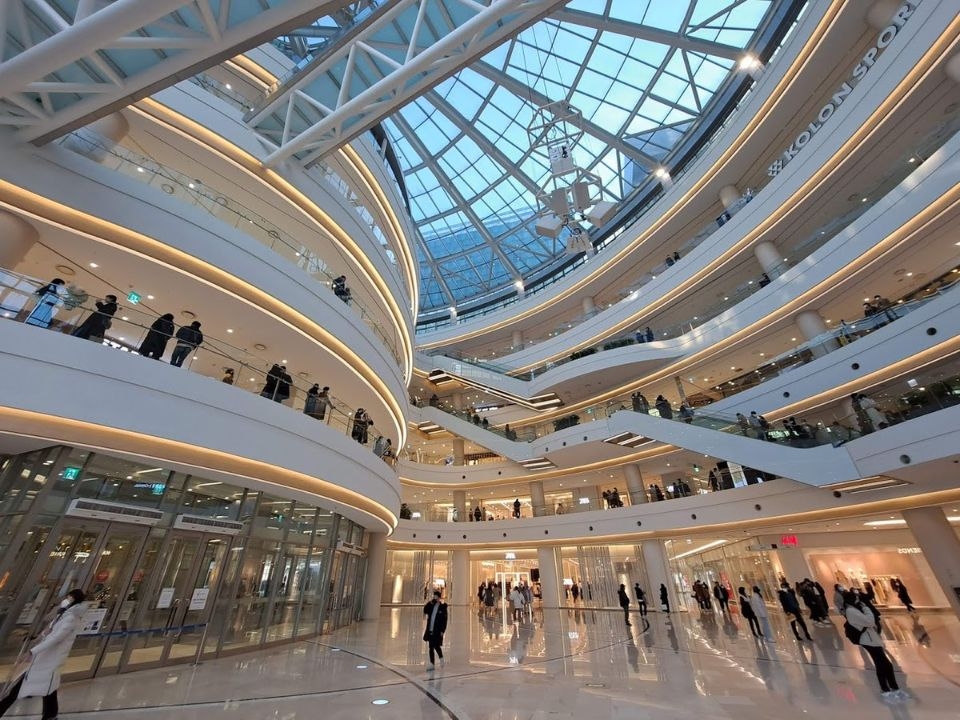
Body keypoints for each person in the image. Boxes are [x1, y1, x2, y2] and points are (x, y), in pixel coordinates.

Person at [0, 589, 88, 720]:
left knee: (22, 687)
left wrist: (32, 651)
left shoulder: (71, 619)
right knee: (48, 687)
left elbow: (55, 638)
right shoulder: (63, 615)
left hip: (51, 658)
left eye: (69, 597)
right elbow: (49, 629)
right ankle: (51, 715)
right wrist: (37, 637)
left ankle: (49, 714)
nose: (66, 599)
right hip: (45, 658)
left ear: (75, 600)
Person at [843, 590, 907, 700]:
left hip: (871, 639)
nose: (858, 600)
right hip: (868, 640)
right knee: (882, 664)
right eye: (856, 598)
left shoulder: (852, 610)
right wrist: (866, 608)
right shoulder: (851, 611)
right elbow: (869, 621)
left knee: (885, 664)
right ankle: (886, 688)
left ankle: (892, 687)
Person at [422, 590, 447, 670]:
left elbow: (444, 621)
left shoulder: (442, 607)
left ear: (439, 598)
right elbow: (425, 610)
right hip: (430, 628)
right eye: (434, 596)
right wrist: (429, 602)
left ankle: (441, 658)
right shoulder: (431, 605)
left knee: (436, 645)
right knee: (431, 647)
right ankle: (432, 663)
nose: (435, 597)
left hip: (437, 630)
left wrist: (442, 630)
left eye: (436, 596)